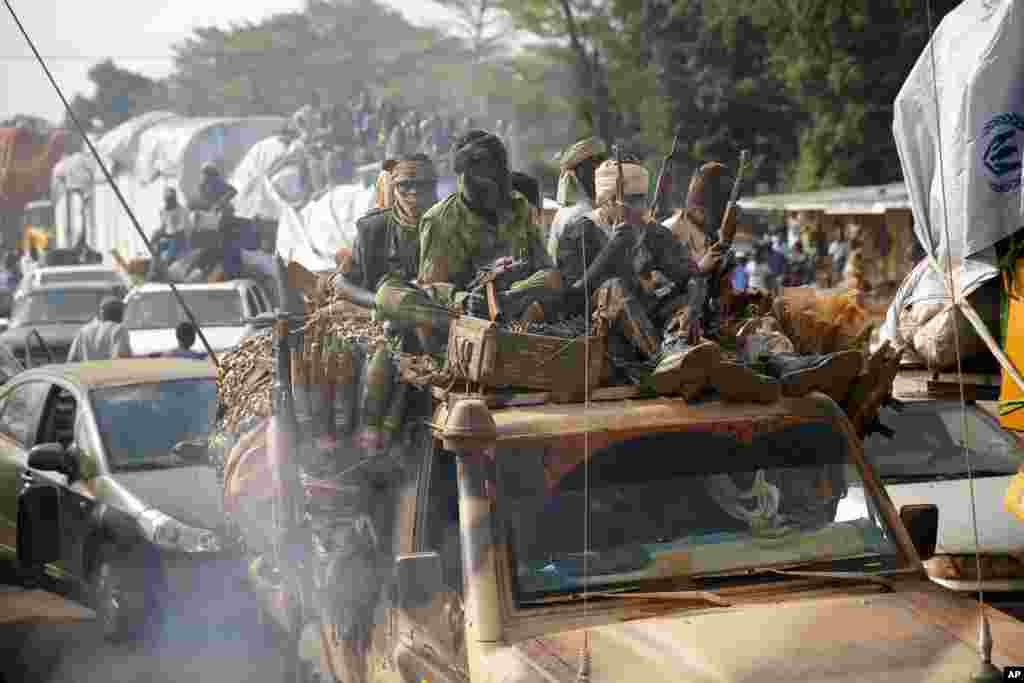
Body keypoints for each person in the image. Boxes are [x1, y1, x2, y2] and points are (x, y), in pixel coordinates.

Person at [556, 156, 776, 401]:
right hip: (602, 328)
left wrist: (691, 307)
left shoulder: (652, 232)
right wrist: (612, 249)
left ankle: (687, 352)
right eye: (631, 200)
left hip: (649, 318)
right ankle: (662, 362)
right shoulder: (579, 232)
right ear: (607, 202)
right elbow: (572, 298)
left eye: (642, 199)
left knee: (682, 296)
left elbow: (691, 275)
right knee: (613, 287)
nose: (640, 207)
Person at [374, 130, 561, 352]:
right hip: (462, 317)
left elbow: (548, 272)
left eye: (496, 173)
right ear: (463, 177)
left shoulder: (519, 206)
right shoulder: (440, 220)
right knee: (388, 292)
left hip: (513, 304)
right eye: (480, 174)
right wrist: (464, 300)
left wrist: (511, 296)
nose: (490, 182)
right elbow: (433, 288)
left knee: (551, 279)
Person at [334, 154, 439, 310]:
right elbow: (342, 282)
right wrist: (381, 303)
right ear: (394, 188)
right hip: (383, 312)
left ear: (433, 187)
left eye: (422, 185)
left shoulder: (449, 222)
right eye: (405, 185)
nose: (414, 192)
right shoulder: (373, 228)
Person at [548, 137, 608, 258]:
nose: (599, 174)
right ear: (578, 174)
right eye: (593, 168)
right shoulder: (578, 215)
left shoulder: (598, 209)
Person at [67, 297, 132, 362]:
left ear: (102, 313)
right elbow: (123, 357)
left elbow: (72, 359)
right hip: (109, 368)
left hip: (87, 368)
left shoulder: (83, 330)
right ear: (120, 313)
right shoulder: (119, 330)